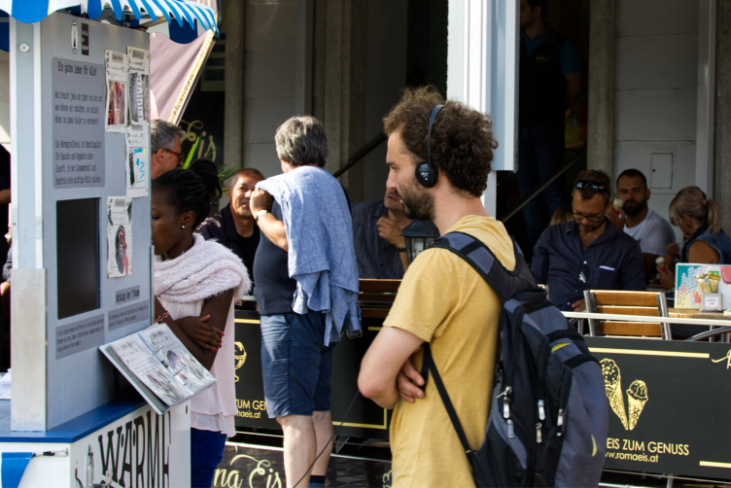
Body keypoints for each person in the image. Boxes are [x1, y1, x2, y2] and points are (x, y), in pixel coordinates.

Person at [358, 86, 504, 487]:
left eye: (394, 167)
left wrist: (391, 383)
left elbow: (371, 381)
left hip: (435, 469)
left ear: (429, 171)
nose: (390, 181)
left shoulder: (440, 262)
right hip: (484, 464)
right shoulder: (501, 243)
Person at [249, 116, 360, 488]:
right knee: (316, 408)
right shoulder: (331, 186)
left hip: (290, 309)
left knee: (293, 416)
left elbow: (290, 240)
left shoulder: (286, 187)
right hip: (318, 307)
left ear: (283, 152)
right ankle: (314, 483)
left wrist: (260, 212)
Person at [151, 160, 250, 488]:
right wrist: (179, 326)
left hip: (198, 417)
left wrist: (155, 314)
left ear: (186, 220)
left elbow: (197, 363)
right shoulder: (140, 266)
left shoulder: (219, 270)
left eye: (155, 217)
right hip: (147, 412)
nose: (146, 227)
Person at [516, 0, 582, 256]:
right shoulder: (513, 43)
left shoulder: (561, 45)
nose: (516, 13)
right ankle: (536, 253)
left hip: (548, 130)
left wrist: (552, 110)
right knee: (527, 194)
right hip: (517, 130)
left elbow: (575, 86)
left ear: (537, 10)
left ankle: (563, 251)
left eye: (521, 7)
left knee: (552, 189)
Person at [531, 170, 645, 312]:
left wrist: (599, 303)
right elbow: (533, 284)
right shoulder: (552, 236)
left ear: (608, 206)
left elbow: (636, 297)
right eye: (578, 213)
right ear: (572, 199)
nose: (585, 221)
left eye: (593, 215)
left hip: (598, 330)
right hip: (551, 325)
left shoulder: (626, 247)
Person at [197, 166, 265, 294]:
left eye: (256, 190)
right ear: (229, 193)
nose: (249, 195)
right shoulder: (209, 231)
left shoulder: (268, 232)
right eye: (243, 188)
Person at [351, 184, 438, 279]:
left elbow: (423, 285)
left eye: (402, 184)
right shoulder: (357, 214)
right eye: (392, 180)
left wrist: (404, 245)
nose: (393, 188)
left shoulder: (433, 231)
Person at [606, 169, 675, 281]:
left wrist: (615, 233)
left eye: (636, 190)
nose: (630, 196)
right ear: (617, 196)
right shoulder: (614, 223)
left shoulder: (658, 227)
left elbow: (638, 271)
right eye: (624, 192)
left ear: (647, 194)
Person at [658, 186, 731, 290]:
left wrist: (674, 285)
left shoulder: (699, 247)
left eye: (676, 221)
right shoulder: (720, 235)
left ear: (686, 220)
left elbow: (696, 295)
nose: (678, 226)